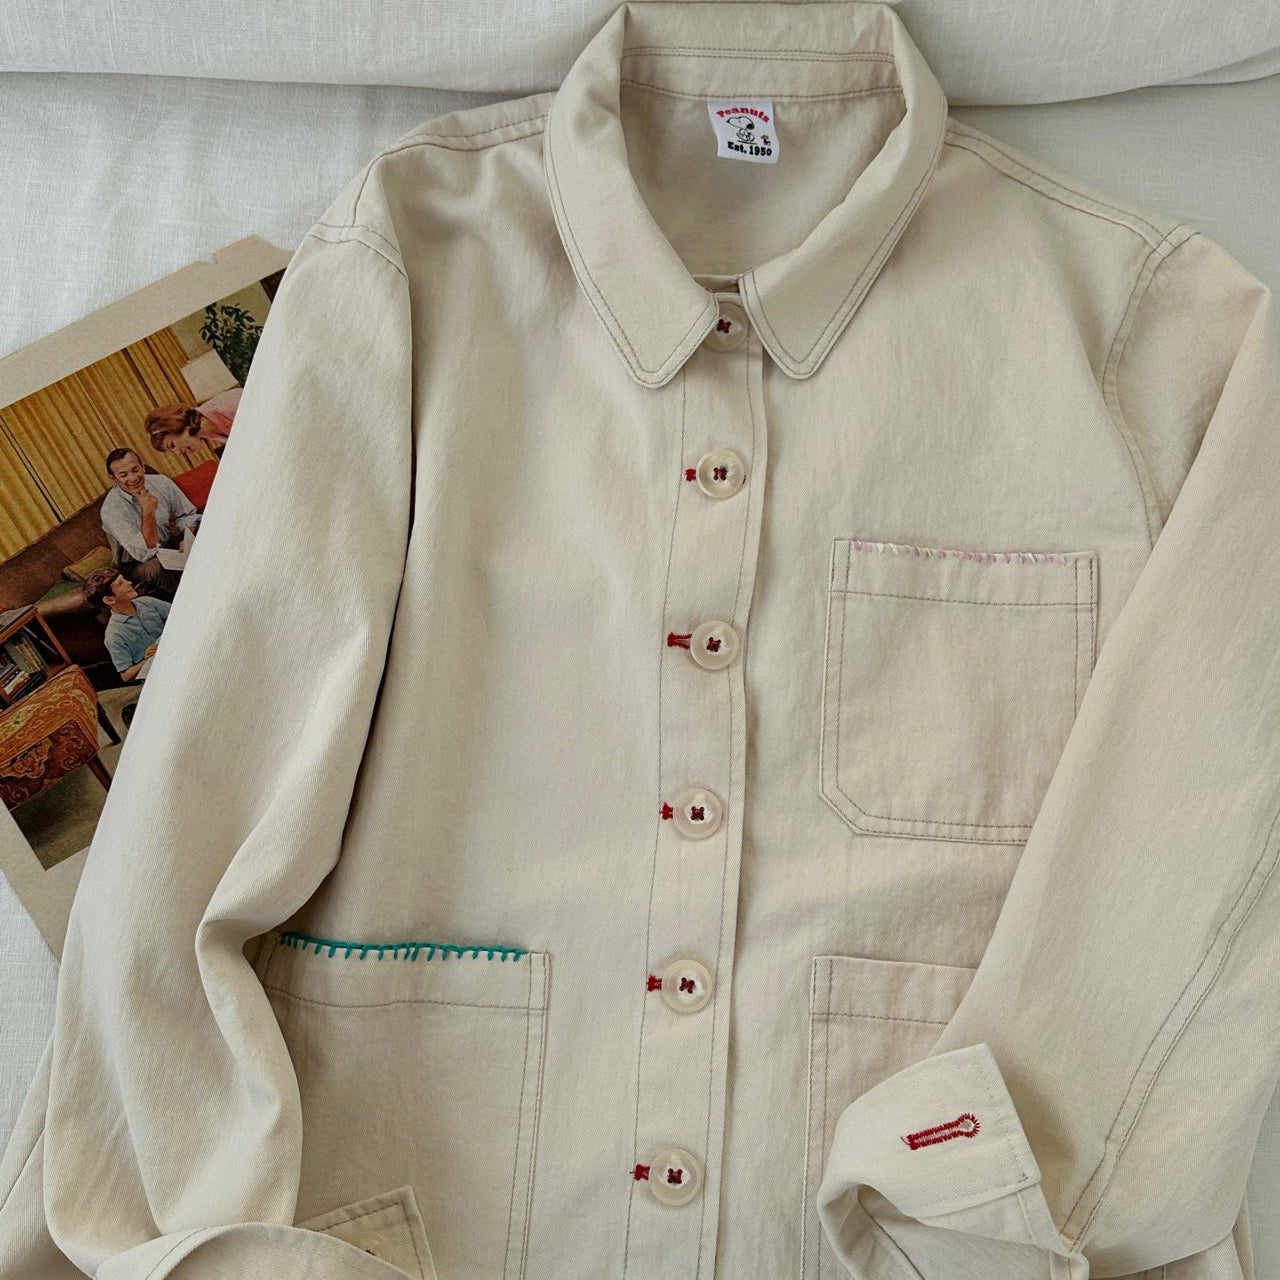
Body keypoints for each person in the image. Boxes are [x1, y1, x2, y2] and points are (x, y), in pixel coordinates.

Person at [98, 447, 200, 601]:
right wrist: (148, 511)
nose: (133, 478)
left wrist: (187, 539)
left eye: (135, 470)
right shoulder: (110, 510)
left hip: (168, 545)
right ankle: (195, 599)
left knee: (204, 526)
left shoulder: (161, 482)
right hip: (137, 563)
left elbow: (187, 515)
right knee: (156, 568)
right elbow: (145, 551)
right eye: (123, 475)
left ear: (143, 467)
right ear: (113, 479)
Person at [83, 567, 169, 683]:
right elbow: (126, 676)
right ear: (109, 600)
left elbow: (179, 613)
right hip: (158, 674)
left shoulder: (147, 602)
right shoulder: (114, 635)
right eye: (121, 583)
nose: (129, 583)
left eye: (124, 579)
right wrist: (146, 659)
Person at [144, 386, 241, 455]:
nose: (178, 452)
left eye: (172, 445)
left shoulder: (228, 405)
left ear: (178, 426)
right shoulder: (207, 433)